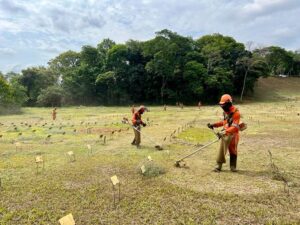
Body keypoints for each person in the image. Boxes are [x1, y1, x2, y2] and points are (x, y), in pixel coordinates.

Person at [207, 94, 240, 172]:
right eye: (221, 105)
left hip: (233, 135)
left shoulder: (236, 113)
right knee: (222, 149)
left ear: (229, 103)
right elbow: (224, 122)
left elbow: (235, 127)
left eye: (224, 105)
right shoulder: (226, 112)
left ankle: (233, 166)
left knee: (233, 150)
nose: (223, 107)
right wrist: (214, 125)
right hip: (225, 133)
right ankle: (218, 166)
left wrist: (225, 132)